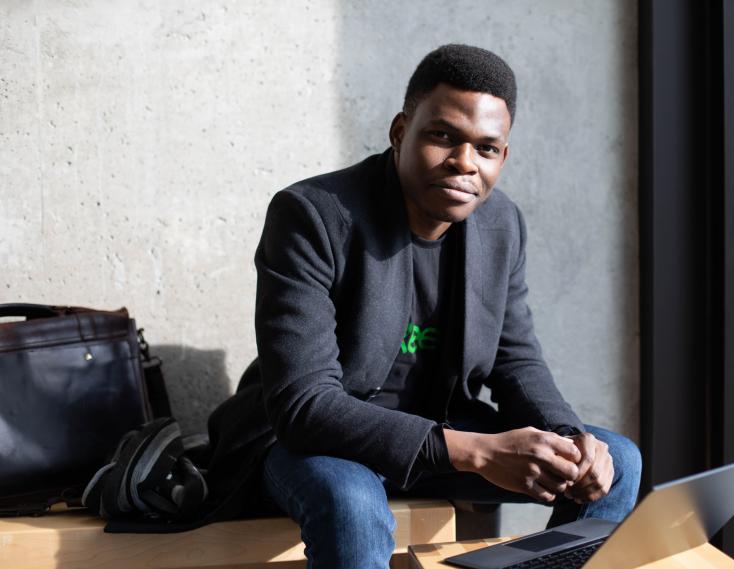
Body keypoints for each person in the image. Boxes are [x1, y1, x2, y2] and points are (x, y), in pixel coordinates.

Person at [205, 44, 641, 568]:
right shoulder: (313, 215)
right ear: (399, 132)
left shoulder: (502, 226)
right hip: (321, 444)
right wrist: (477, 452)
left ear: (502, 157)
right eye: (443, 137)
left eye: (485, 148)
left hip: (442, 431)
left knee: (615, 461)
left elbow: (516, 361)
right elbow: (305, 405)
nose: (464, 162)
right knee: (351, 504)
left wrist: (570, 438)